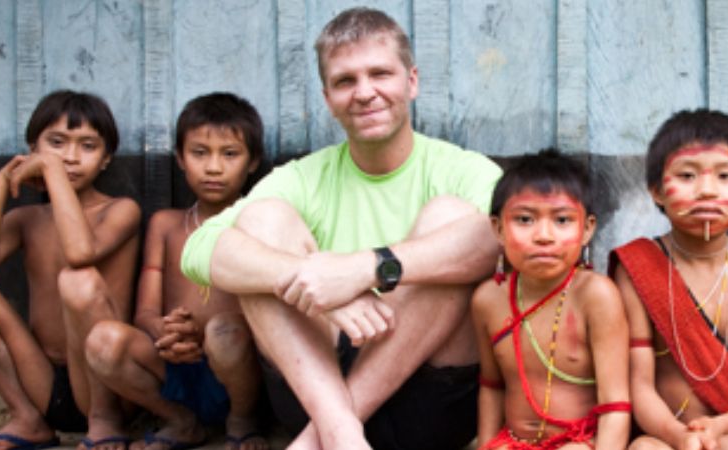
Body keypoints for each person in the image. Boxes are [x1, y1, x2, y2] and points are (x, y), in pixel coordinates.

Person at [179, 7, 502, 450]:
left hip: (430, 401)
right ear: (328, 97)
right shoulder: (303, 177)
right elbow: (199, 248)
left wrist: (367, 268)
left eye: (380, 74)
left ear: (411, 81)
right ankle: (341, 432)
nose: (365, 92)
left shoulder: (463, 170)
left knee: (451, 220)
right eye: (345, 81)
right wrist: (310, 281)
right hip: (316, 386)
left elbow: (500, 241)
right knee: (260, 223)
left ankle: (321, 440)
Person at [0, 90, 141, 450]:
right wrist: (4, 183)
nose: (69, 157)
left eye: (87, 146)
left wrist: (51, 172)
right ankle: (27, 418)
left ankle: (104, 420)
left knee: (78, 280)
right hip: (44, 381)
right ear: (32, 148)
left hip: (107, 384)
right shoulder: (28, 219)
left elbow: (80, 252)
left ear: (106, 159)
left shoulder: (120, 211)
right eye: (56, 143)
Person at [84, 93, 267, 450]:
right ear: (181, 159)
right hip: (171, 363)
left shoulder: (259, 223)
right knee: (102, 341)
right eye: (200, 153)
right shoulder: (166, 225)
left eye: (229, 154)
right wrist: (166, 333)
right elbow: (145, 312)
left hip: (234, 364)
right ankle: (180, 421)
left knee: (223, 332)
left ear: (252, 161)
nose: (213, 167)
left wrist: (201, 336)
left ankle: (242, 420)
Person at [611, 109, 728, 450]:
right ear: (657, 191)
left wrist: (720, 427)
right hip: (664, 434)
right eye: (687, 176)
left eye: (725, 177)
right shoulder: (636, 266)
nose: (707, 191)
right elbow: (638, 384)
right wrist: (678, 436)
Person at [472, 149, 631, 449]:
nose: (543, 236)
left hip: (580, 441)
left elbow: (615, 405)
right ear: (497, 228)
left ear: (587, 230)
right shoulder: (488, 299)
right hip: (514, 441)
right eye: (524, 219)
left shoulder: (596, 295)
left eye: (561, 220)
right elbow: (492, 388)